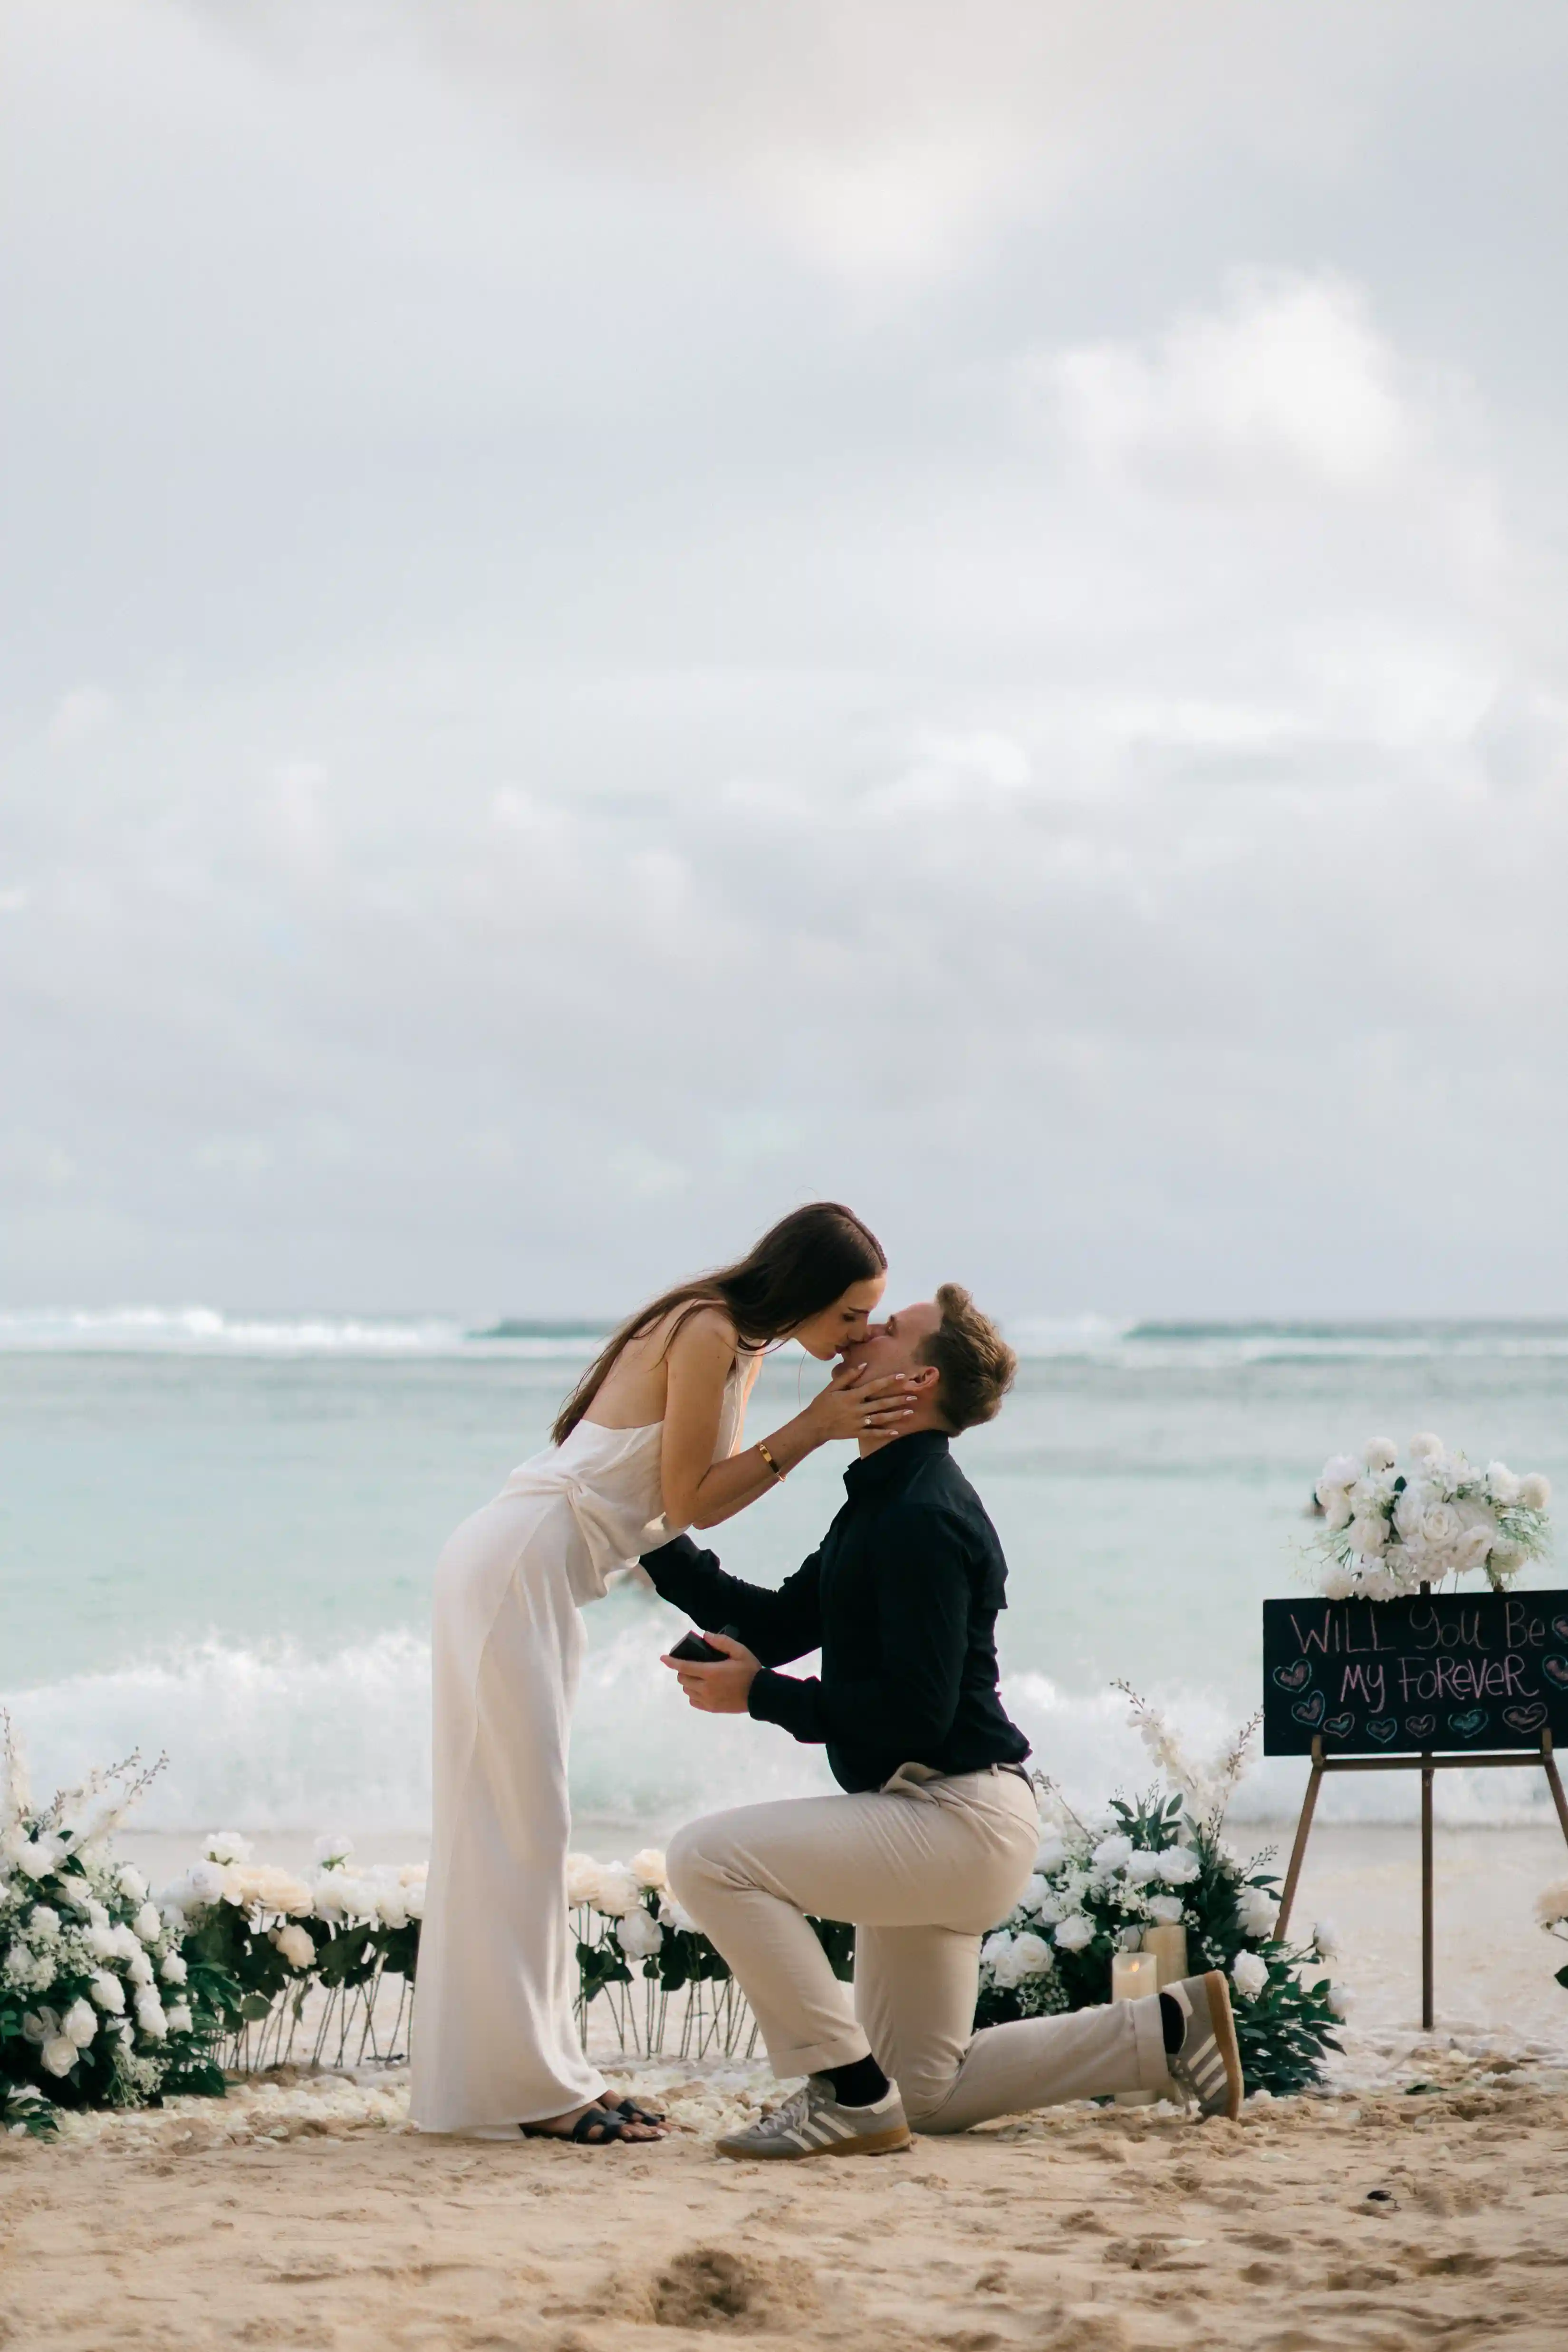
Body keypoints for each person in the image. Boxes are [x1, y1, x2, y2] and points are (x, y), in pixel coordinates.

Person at [643, 1285, 1245, 2159]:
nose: (861, 1336)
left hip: (952, 1821)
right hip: (937, 1822)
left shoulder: (922, 1515)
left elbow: (912, 1714)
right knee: (923, 2093)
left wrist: (760, 1696)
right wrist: (652, 1538)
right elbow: (774, 1624)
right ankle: (1162, 2031)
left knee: (707, 1859)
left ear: (917, 1379)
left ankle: (842, 2091)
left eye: (887, 1329)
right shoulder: (885, 1500)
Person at [409, 1201, 918, 2146]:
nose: (860, 1335)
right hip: (511, 1568)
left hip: (538, 1578)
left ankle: (546, 2073)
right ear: (806, 1288)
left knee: (526, 1823)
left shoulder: (742, 1343)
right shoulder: (706, 1329)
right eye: (850, 1314)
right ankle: (527, 2088)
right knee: (513, 1824)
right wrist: (815, 1426)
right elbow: (693, 1501)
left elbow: (677, 1513)